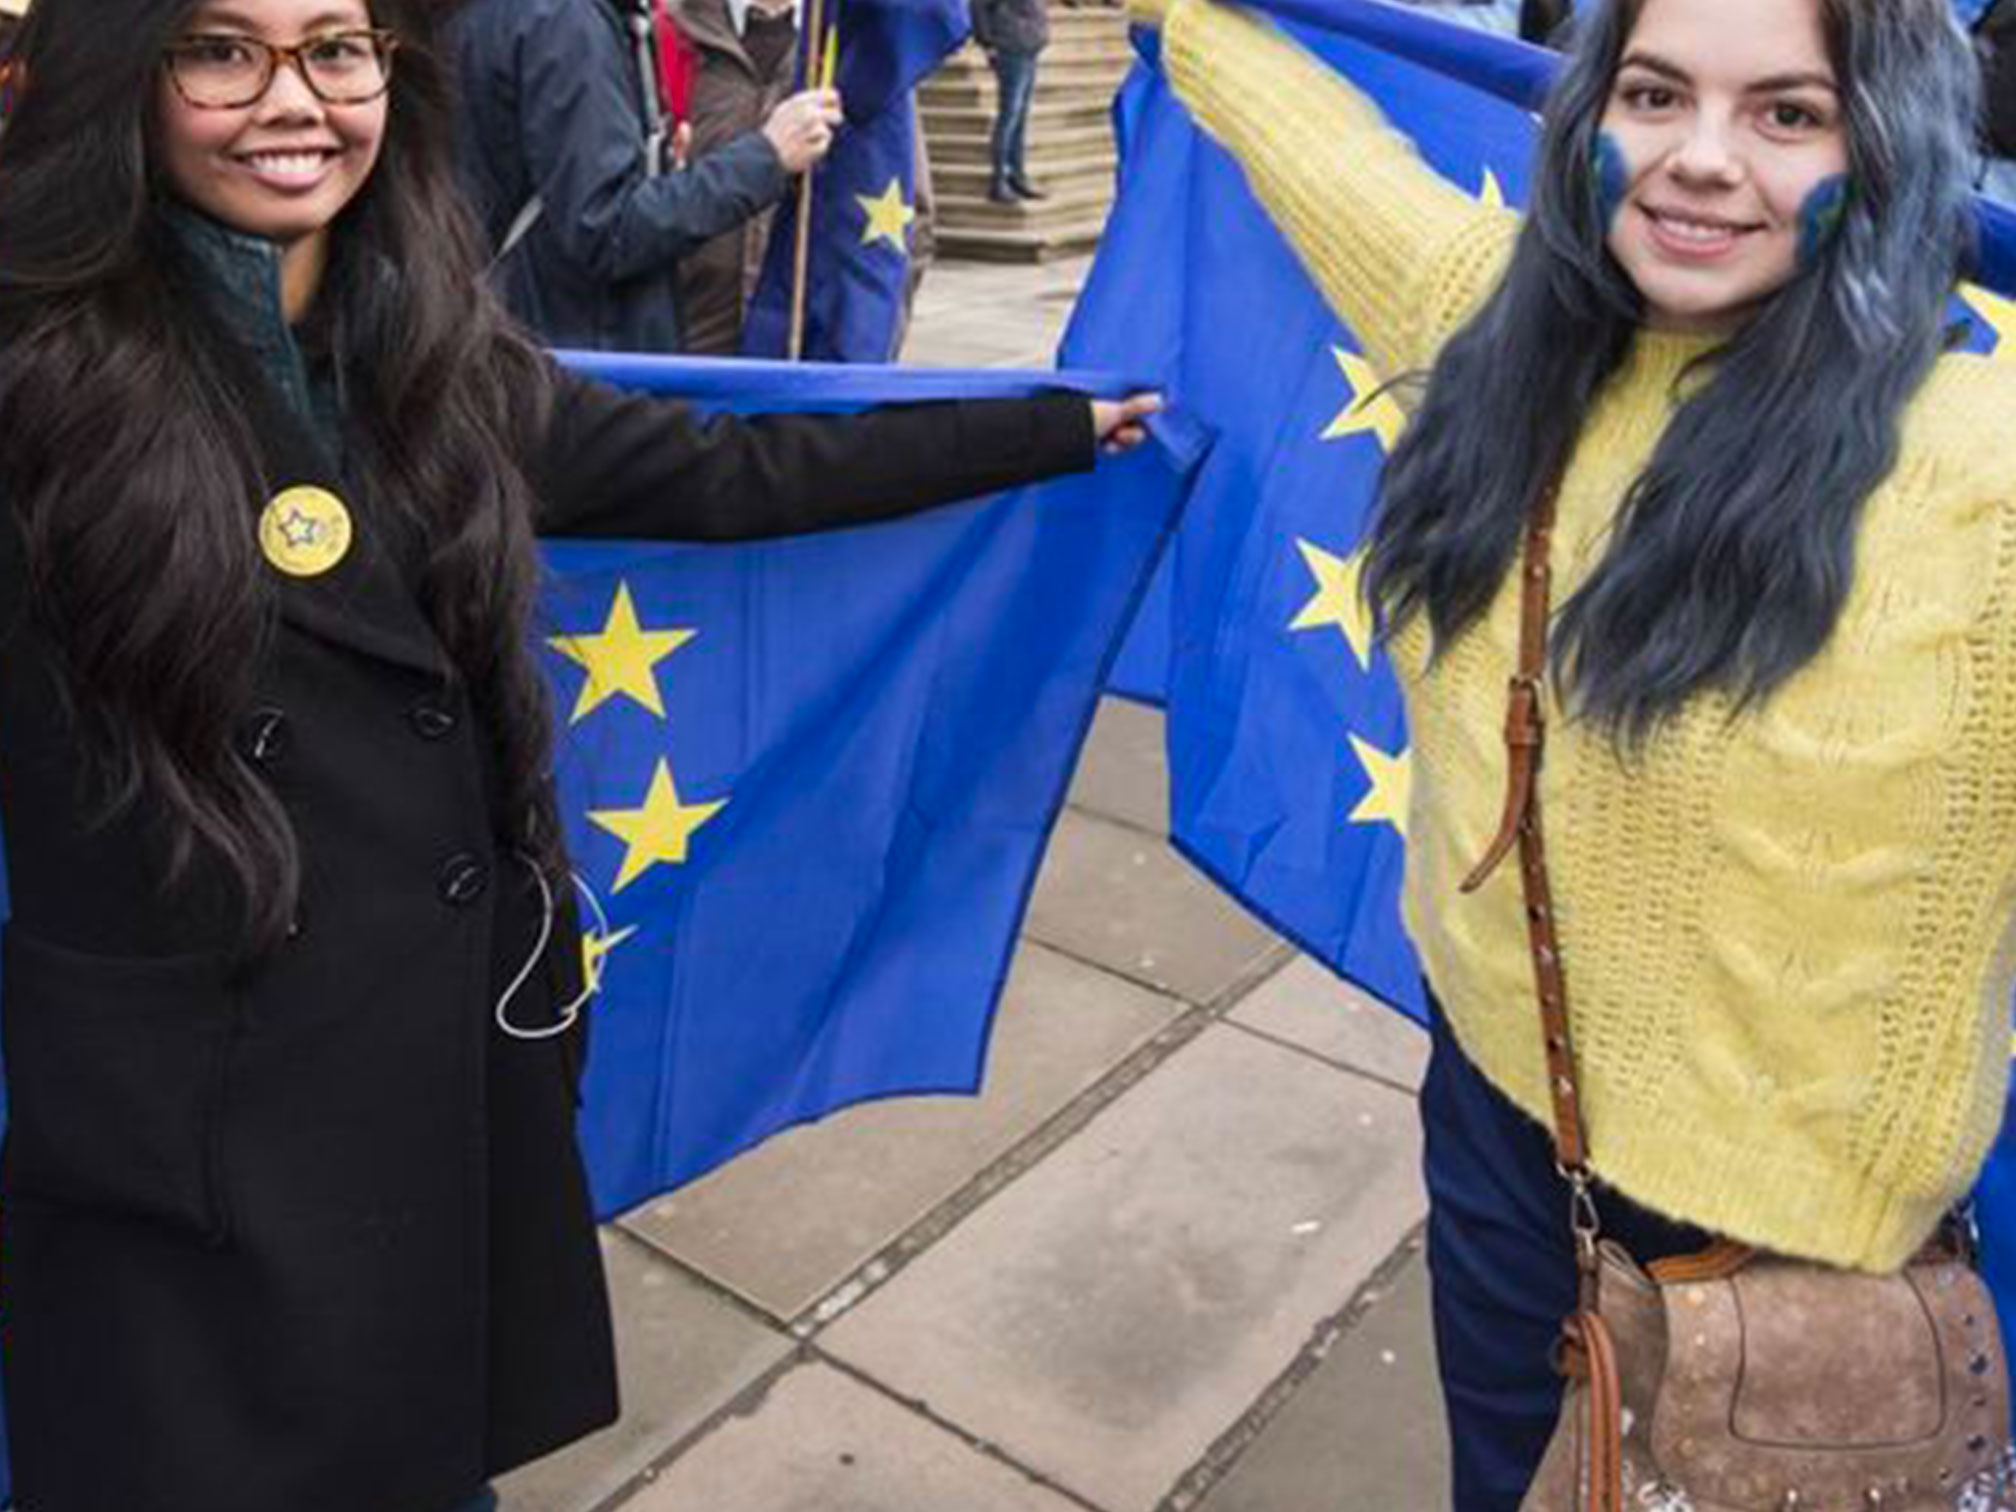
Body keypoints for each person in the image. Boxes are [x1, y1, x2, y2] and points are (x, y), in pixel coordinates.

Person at [0, 1, 1158, 1508]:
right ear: (126, 81)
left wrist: (1041, 431)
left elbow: (725, 470)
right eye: (222, 51)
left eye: (336, 49)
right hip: (181, 1127)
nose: (295, 100)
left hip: (427, 1080)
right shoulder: (34, 372)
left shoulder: (427, 344)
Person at [1130, 0, 2008, 1506]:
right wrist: (1181, 16)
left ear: (1891, 148)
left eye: (1788, 116)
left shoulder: (1987, 478)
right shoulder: (1498, 335)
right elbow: (1325, 154)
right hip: (1496, 1146)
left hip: (1803, 1281)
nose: (1700, 162)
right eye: (1654, 93)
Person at [450, 0, 841, 352]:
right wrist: (767, 157)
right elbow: (607, 229)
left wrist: (660, 171)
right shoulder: (568, 23)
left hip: (527, 343)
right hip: (570, 364)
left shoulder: (537, 16)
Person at [669, 0, 799, 354]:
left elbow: (909, 219)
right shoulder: (668, 31)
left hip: (804, 358)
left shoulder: (856, 45)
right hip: (686, 351)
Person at [972, 0, 1048, 202]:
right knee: (1009, 115)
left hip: (1030, 45)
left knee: (1020, 116)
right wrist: (987, 43)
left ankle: (1017, 175)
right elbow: (979, 7)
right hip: (1010, 46)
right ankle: (999, 180)